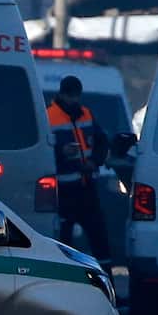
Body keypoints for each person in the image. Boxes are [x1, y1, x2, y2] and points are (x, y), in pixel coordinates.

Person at [46, 75, 110, 262]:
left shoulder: (86, 114)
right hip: (63, 190)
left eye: (76, 95)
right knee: (64, 238)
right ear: (62, 94)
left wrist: (94, 161)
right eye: (70, 95)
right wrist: (61, 151)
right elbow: (44, 150)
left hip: (87, 185)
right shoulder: (49, 116)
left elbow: (102, 141)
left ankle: (106, 273)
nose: (73, 100)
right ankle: (65, 270)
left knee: (99, 234)